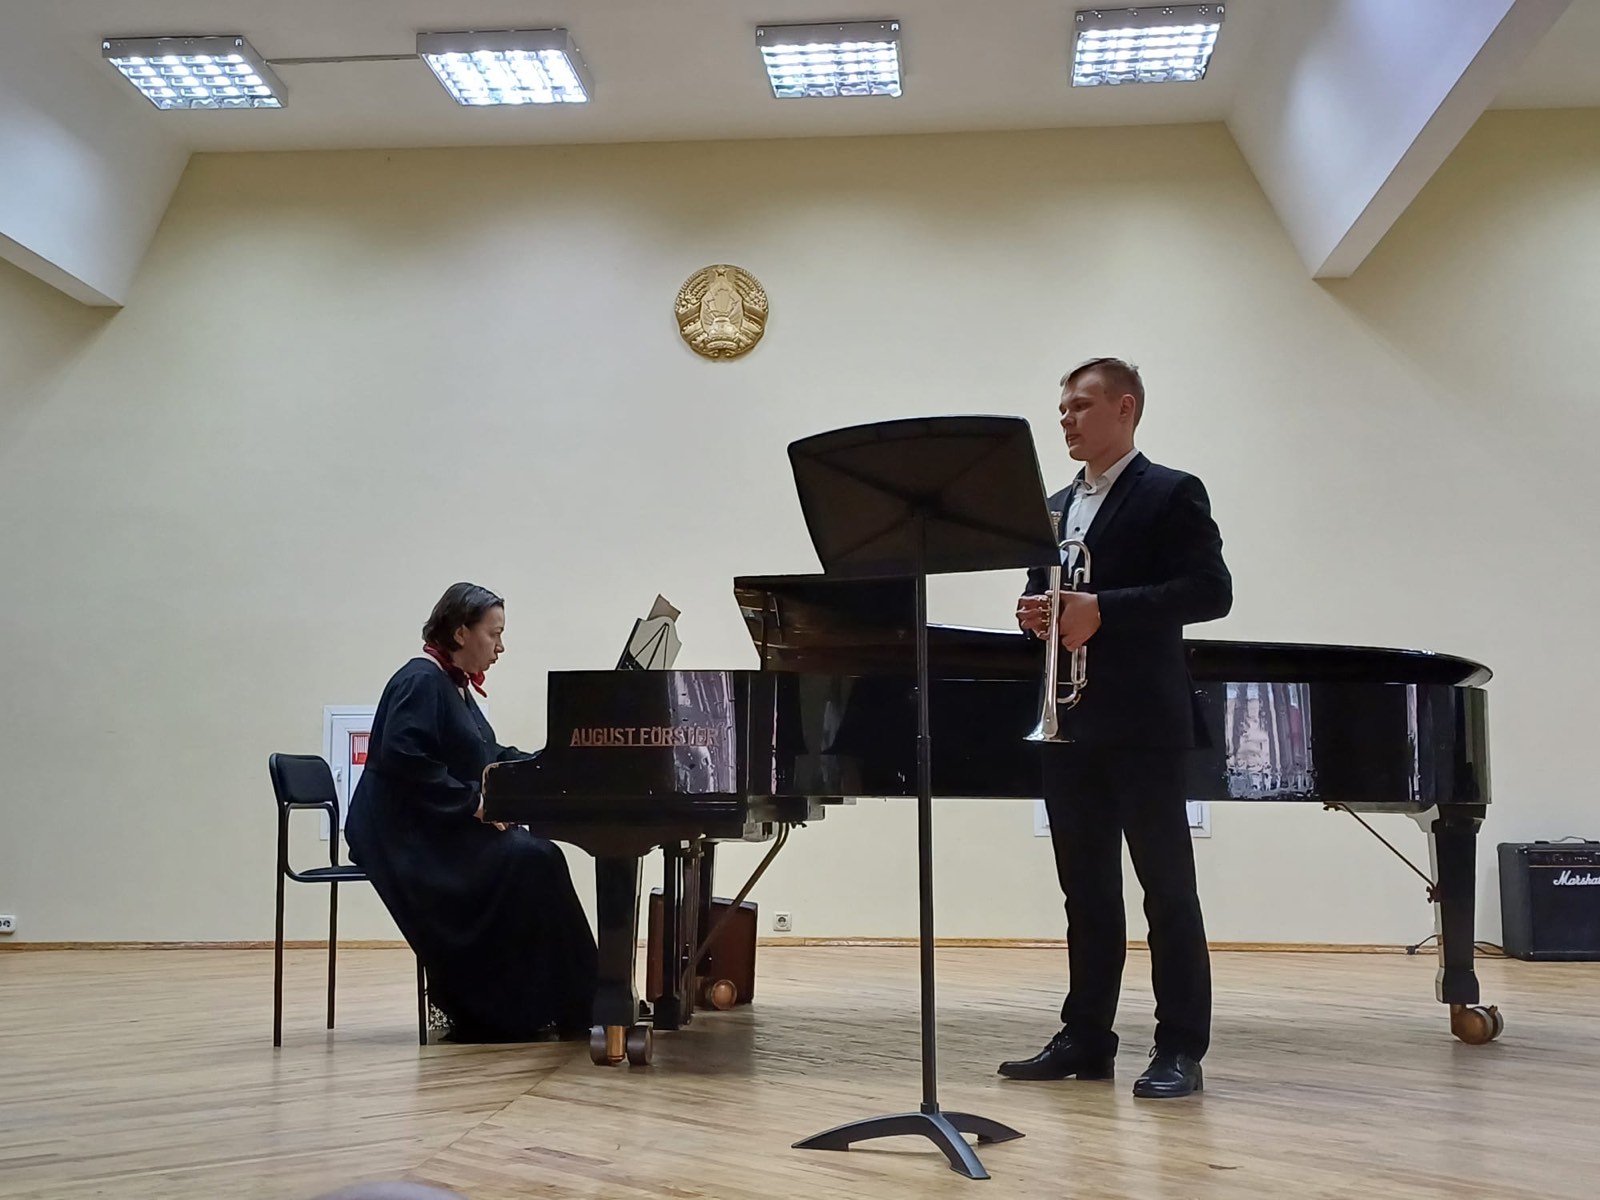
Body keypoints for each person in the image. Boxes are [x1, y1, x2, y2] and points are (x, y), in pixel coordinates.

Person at [998, 358, 1232, 1099]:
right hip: (1070, 722)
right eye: (1062, 408)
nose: (1066, 418)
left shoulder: (1170, 491)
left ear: (1125, 408)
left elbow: (1210, 591)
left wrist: (1105, 608)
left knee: (1167, 891)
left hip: (1144, 724)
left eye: (1081, 405)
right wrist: (1036, 613)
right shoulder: (1054, 505)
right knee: (1086, 892)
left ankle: (1180, 1047)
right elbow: (1048, 593)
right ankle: (1086, 1038)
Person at [345, 582, 597, 1042]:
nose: (501, 647)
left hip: (431, 825)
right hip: (405, 836)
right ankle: (552, 1003)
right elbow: (404, 760)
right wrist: (472, 804)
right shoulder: (422, 680)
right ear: (461, 632)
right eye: (493, 634)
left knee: (536, 856)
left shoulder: (451, 685)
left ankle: (571, 1000)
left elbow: (487, 754)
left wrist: (549, 764)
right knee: (534, 858)